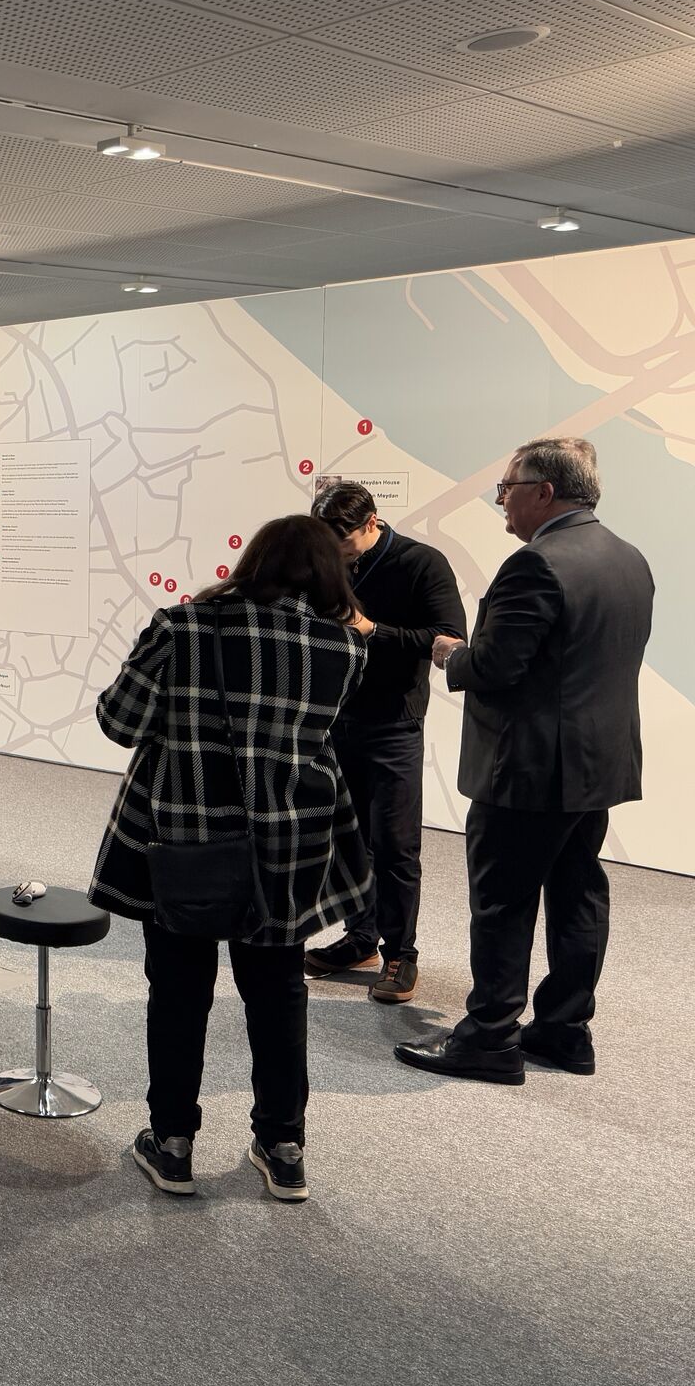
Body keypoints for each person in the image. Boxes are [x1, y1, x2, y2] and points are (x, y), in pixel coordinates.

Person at [92, 515, 370, 1204]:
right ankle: (284, 1149)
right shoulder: (344, 647)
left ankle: (174, 1143)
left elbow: (119, 721)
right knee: (278, 994)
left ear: (254, 561)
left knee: (180, 991)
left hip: (186, 835)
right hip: (291, 844)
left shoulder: (181, 627)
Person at [397, 438, 654, 1085]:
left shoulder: (534, 566)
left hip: (531, 769)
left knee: (504, 903)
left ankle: (488, 1039)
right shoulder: (628, 558)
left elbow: (495, 669)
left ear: (544, 491)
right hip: (597, 764)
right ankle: (565, 1033)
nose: (500, 499)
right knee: (578, 896)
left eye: (507, 487)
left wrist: (450, 654)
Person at [301, 482, 465, 1003]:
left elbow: (448, 639)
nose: (333, 552)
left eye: (341, 540)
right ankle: (360, 938)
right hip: (333, 719)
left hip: (393, 723)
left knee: (395, 846)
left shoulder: (423, 563)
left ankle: (401, 954)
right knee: (347, 839)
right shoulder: (327, 561)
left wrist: (373, 629)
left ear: (372, 521)